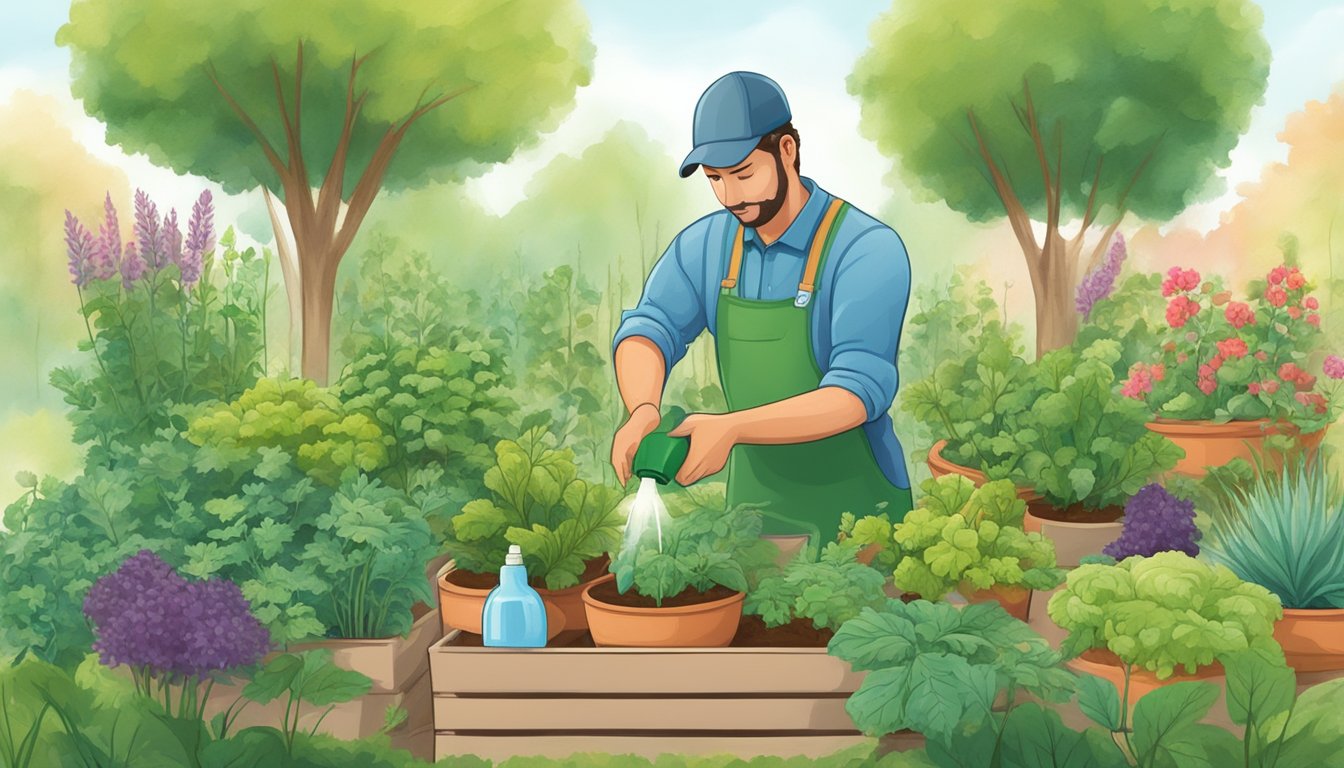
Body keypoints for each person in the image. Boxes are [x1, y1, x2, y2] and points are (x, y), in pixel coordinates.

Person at [610, 71, 913, 559]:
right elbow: (649, 328)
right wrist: (643, 406)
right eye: (715, 180)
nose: (730, 197)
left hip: (859, 519)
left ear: (787, 150)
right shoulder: (706, 245)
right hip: (751, 517)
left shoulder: (866, 249)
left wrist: (731, 428)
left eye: (743, 173)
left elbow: (857, 391)